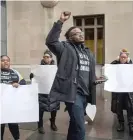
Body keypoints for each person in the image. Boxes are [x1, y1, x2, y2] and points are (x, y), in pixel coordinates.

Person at [45, 11, 96, 140]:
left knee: (74, 125)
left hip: (86, 93)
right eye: (76, 33)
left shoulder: (88, 53)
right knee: (80, 128)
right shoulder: (64, 48)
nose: (80, 34)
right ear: (70, 37)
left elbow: (88, 72)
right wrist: (60, 22)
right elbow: (50, 41)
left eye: (81, 32)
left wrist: (95, 79)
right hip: (73, 93)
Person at [30, 49, 59, 134]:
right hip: (42, 91)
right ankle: (40, 125)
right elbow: (34, 77)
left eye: (47, 57)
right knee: (40, 109)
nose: (46, 58)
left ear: (51, 58)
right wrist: (32, 76)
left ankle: (53, 122)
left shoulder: (55, 67)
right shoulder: (38, 67)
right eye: (44, 57)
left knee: (54, 108)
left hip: (53, 91)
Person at [0, 55, 26, 140]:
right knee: (1, 125)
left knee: (13, 124)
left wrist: (18, 85)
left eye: (7, 60)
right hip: (1, 106)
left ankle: (17, 138)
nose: (5, 62)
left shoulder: (15, 72)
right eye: (3, 60)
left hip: (11, 105)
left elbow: (23, 82)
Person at [111, 49, 133, 136]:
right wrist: (116, 60)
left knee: (129, 107)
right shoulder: (116, 64)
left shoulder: (130, 65)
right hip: (118, 90)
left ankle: (131, 125)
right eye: (122, 57)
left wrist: (130, 61)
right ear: (119, 57)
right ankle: (121, 123)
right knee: (118, 107)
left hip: (128, 91)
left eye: (125, 57)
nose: (123, 59)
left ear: (127, 58)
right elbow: (110, 67)